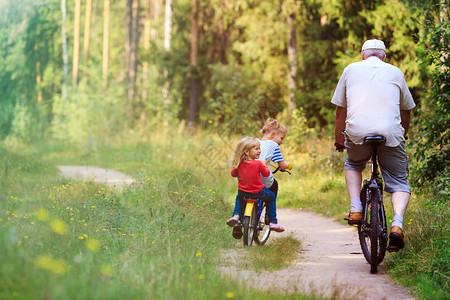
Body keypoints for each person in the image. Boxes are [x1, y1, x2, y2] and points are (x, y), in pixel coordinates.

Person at [331, 39, 415, 252]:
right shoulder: (395, 72)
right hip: (390, 134)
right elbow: (407, 111)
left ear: (362, 55)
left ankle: (356, 209)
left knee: (353, 163)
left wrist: (339, 140)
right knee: (398, 182)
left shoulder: (350, 70)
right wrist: (401, 134)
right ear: (384, 56)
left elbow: (341, 110)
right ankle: (397, 225)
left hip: (357, 132)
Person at [226, 137, 285, 238]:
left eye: (259, 148)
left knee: (239, 199)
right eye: (256, 149)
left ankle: (236, 217)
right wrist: (265, 165)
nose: (260, 151)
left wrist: (236, 166)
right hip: (258, 192)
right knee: (271, 197)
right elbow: (266, 174)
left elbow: (233, 174)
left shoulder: (240, 164)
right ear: (247, 152)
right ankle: (272, 221)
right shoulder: (258, 163)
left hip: (243, 192)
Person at [258, 118, 292, 200]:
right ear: (273, 134)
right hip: (262, 177)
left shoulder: (254, 142)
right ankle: (270, 211)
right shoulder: (273, 145)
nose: (282, 142)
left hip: (246, 176)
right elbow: (282, 166)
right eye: (281, 138)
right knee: (274, 185)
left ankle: (240, 210)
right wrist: (288, 165)